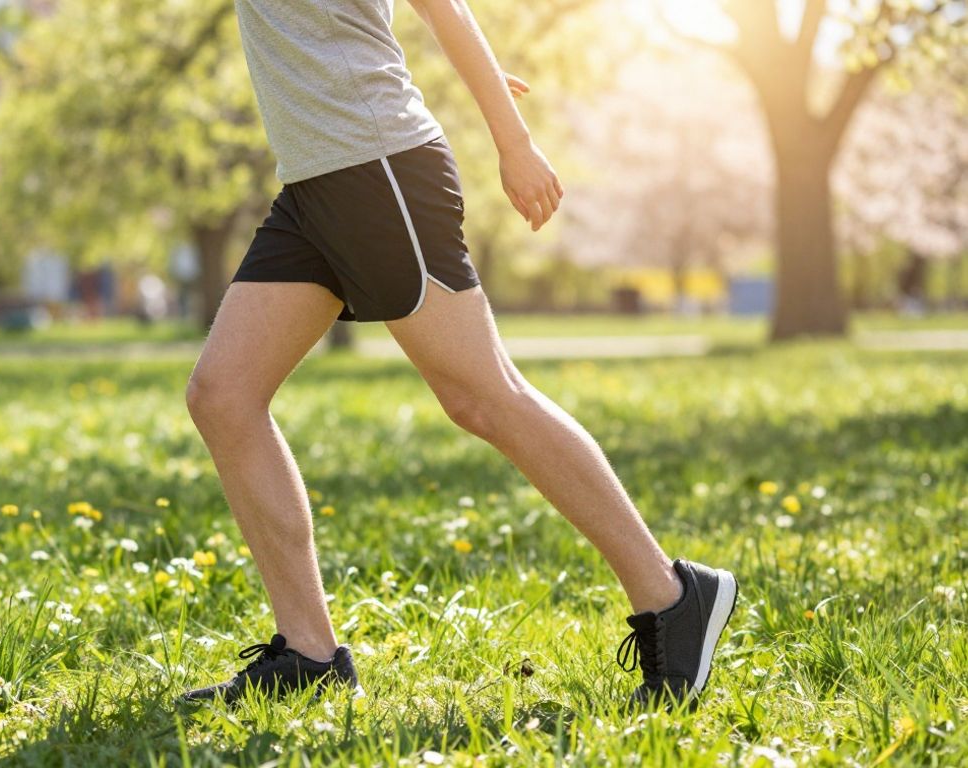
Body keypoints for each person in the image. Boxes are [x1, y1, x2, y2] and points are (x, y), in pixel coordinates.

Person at [181, 0, 737, 709]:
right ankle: (310, 652)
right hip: (316, 183)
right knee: (223, 395)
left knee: (484, 395)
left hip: (374, 168)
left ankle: (670, 597)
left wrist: (514, 142)